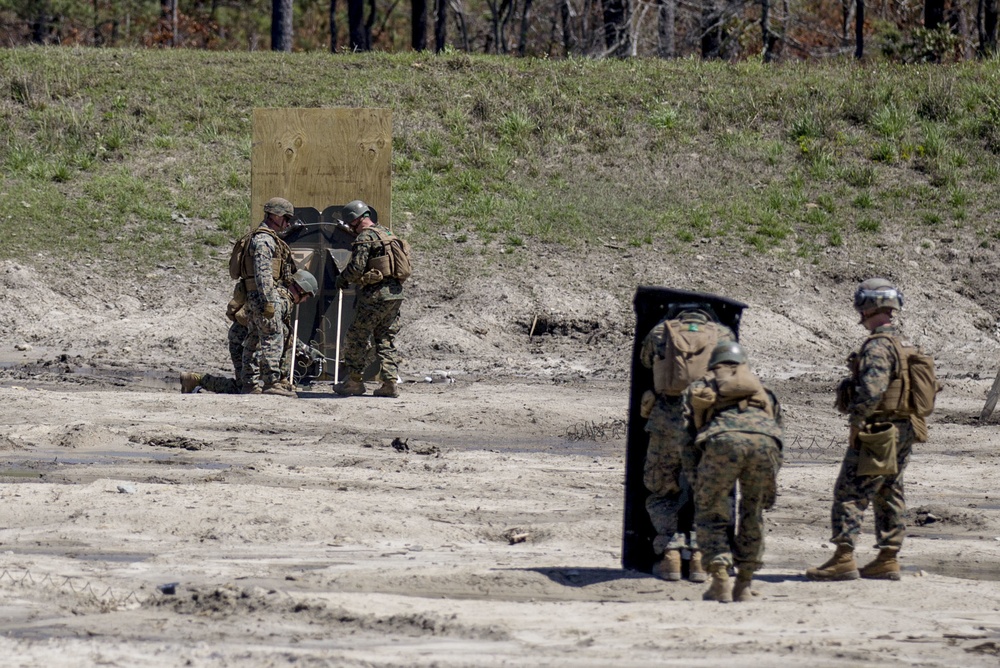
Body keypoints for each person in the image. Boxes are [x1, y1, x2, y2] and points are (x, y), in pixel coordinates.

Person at [806, 278, 917, 582]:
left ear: (868, 306)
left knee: (850, 490)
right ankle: (888, 558)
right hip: (905, 428)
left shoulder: (879, 346)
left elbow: (872, 389)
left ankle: (843, 557)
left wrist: (856, 422)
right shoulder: (904, 343)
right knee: (889, 489)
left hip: (879, 429)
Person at [639, 304, 736, 583]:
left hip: (667, 420)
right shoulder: (724, 334)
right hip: (707, 420)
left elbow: (646, 361)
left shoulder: (660, 332)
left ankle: (669, 552)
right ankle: (699, 557)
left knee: (661, 487)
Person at [682, 341, 783, 603]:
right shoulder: (764, 391)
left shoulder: (701, 387)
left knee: (711, 511)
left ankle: (720, 580)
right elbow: (778, 434)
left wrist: (696, 481)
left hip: (722, 442)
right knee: (753, 512)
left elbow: (686, 438)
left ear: (714, 364)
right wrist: (771, 482)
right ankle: (745, 584)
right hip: (765, 445)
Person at [181, 270, 320, 395]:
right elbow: (275, 332)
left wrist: (303, 349)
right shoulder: (279, 301)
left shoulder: (278, 296)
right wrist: (304, 349)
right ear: (301, 290)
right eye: (307, 296)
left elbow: (283, 332)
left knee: (247, 387)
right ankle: (196, 379)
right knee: (243, 388)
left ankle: (195, 380)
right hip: (242, 342)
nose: (306, 300)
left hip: (246, 341)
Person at [332, 200, 405, 398]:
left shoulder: (365, 238)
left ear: (353, 221)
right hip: (395, 294)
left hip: (375, 296)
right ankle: (389, 383)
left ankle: (354, 382)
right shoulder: (387, 234)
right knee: (385, 338)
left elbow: (356, 268)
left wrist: (342, 278)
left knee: (356, 338)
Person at [236, 197, 298, 396]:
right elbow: (263, 273)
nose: (288, 223)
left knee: (253, 338)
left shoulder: (260, 238)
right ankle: (271, 383)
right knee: (272, 336)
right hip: (263, 296)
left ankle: (250, 383)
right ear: (275, 216)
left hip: (254, 297)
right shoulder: (264, 240)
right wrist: (269, 301)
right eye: (286, 218)